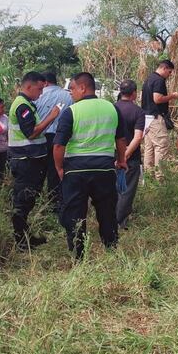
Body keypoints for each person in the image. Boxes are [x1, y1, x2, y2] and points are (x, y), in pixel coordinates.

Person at [53, 72, 127, 259]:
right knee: (107, 211)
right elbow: (120, 139)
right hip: (104, 168)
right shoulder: (112, 108)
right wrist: (122, 160)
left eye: (72, 88)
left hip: (77, 170)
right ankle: (111, 249)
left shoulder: (72, 111)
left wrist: (60, 168)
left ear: (83, 88)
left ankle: (79, 256)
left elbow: (59, 145)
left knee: (76, 214)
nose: (71, 93)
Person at [8, 72, 61, 250]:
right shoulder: (22, 106)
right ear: (29, 87)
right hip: (25, 161)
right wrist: (52, 117)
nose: (41, 93)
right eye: (39, 89)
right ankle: (21, 242)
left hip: (30, 160)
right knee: (22, 201)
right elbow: (31, 132)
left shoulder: (28, 104)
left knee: (29, 199)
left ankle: (26, 237)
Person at [35, 71, 73, 213]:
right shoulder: (68, 95)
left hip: (40, 137)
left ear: (44, 82)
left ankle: (37, 202)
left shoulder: (38, 95)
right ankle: (54, 203)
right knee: (56, 171)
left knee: (39, 171)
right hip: (61, 138)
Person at [141, 59, 178, 179]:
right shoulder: (159, 80)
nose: (169, 75)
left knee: (149, 147)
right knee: (161, 146)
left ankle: (149, 175)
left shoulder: (149, 78)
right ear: (164, 68)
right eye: (169, 72)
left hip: (147, 117)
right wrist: (172, 96)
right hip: (155, 118)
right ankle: (160, 177)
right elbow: (157, 99)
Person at [114, 79, 145, 229]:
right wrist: (124, 156)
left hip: (111, 156)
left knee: (114, 188)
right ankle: (119, 221)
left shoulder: (112, 108)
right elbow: (138, 137)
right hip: (130, 158)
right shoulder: (138, 111)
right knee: (126, 190)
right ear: (134, 94)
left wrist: (118, 155)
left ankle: (111, 218)